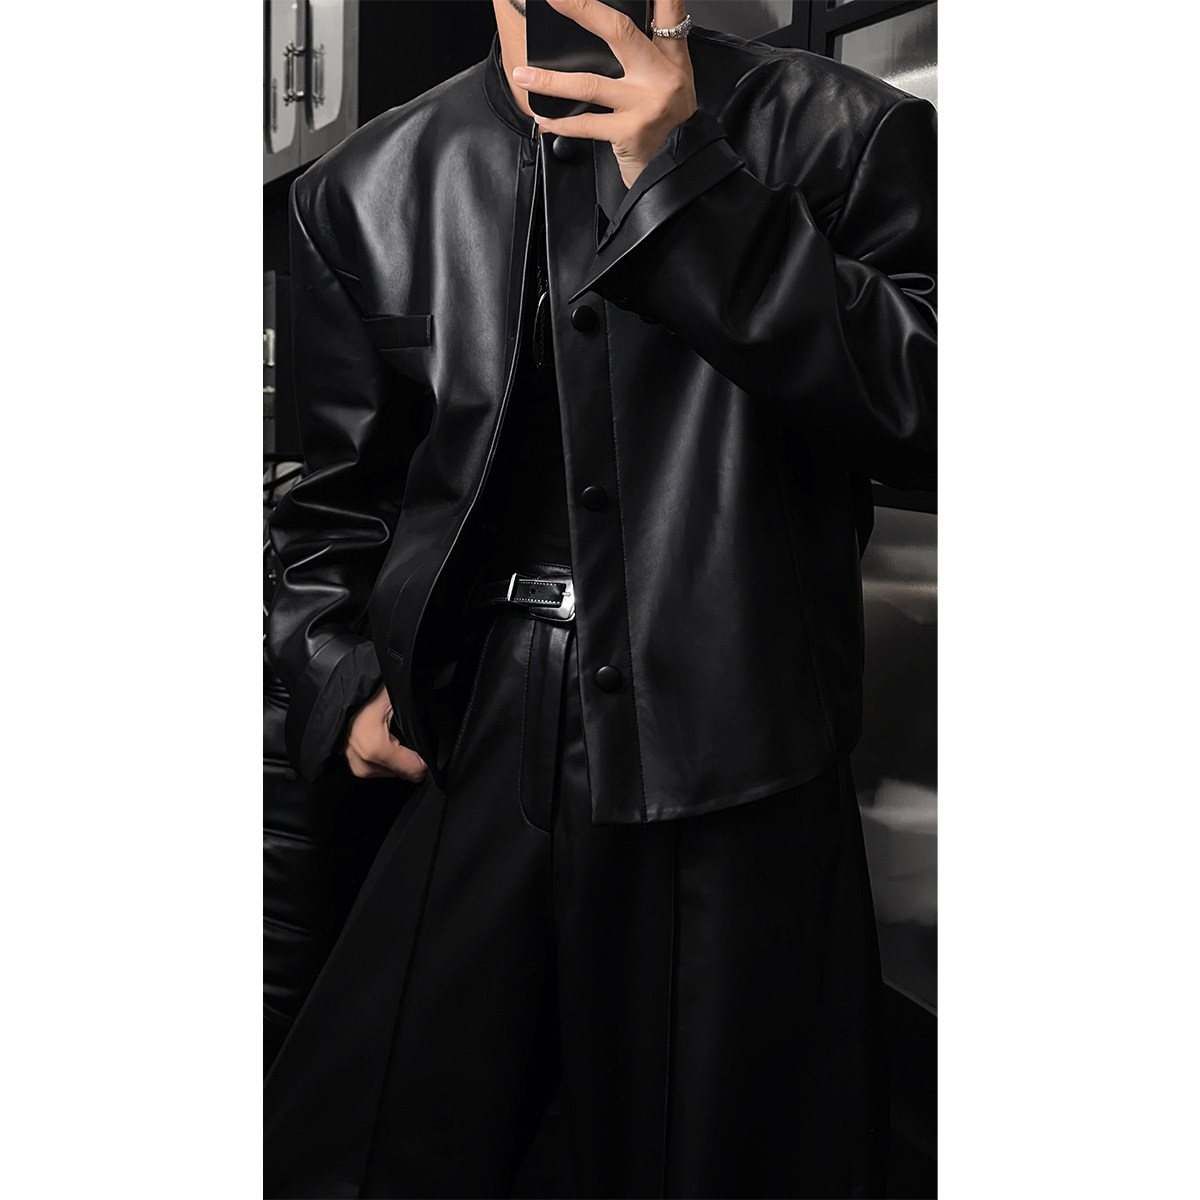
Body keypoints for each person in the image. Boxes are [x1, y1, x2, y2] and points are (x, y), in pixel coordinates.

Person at [264, 0, 936, 1195]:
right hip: (468, 738)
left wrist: (692, 182)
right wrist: (334, 670)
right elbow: (326, 502)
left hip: (745, 750)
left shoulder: (846, 131)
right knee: (358, 1148)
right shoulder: (362, 186)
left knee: (740, 1161)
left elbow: (937, 420)